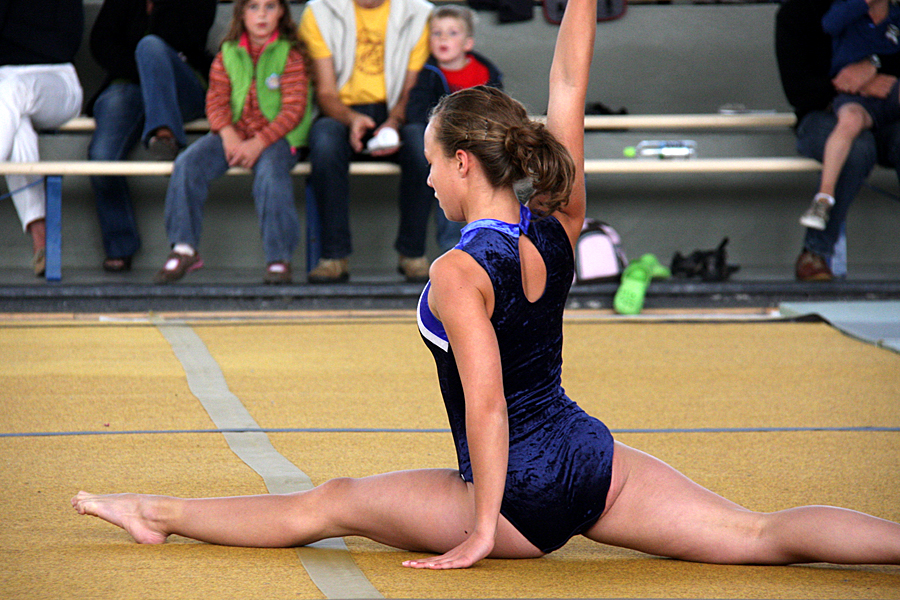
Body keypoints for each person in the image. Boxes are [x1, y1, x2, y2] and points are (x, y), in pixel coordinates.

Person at [73, 0, 900, 570]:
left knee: (328, 504)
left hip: (518, 496)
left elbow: (489, 407)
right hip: (590, 458)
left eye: (432, 163)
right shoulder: (559, 216)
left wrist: (479, 528)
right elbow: (569, 85)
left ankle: (158, 511)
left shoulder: (459, 270)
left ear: (464, 163)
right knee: (756, 534)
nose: (429, 178)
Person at [153, 0, 312, 285]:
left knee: (270, 175)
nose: (261, 15)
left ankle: (278, 258)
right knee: (188, 164)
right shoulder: (228, 53)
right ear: (241, 14)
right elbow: (215, 102)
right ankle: (184, 248)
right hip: (234, 135)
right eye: (253, 8)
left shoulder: (291, 54)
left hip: (277, 138)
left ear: (282, 13)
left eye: (270, 7)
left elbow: (293, 110)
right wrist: (228, 136)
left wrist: (258, 143)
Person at [298, 0, 434, 283]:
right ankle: (333, 257)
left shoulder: (419, 12)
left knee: (421, 145)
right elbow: (325, 93)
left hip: (398, 112)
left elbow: (411, 92)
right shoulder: (320, 11)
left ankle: (412, 254)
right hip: (340, 112)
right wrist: (351, 119)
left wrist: (393, 123)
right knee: (324, 142)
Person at [87, 0, 218, 273]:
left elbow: (186, 41)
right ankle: (120, 245)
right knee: (101, 157)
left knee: (150, 46)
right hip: (128, 84)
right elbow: (101, 42)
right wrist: (142, 72)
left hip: (181, 83)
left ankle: (166, 135)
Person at [776, 0, 900, 281]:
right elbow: (799, 91)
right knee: (857, 148)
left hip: (888, 114)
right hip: (825, 113)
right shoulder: (800, 12)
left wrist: (874, 65)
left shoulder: (892, 13)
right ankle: (815, 252)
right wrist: (857, 85)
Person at [406, 4, 503, 252]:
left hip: (476, 149)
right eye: (437, 33)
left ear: (468, 43)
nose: (443, 39)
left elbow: (496, 113)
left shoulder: (485, 72)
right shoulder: (426, 73)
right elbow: (416, 112)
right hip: (440, 152)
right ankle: (448, 250)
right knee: (446, 179)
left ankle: (480, 247)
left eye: (452, 33)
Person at [799, 0, 900, 234]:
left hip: (889, 90)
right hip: (856, 96)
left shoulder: (896, 17)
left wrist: (875, 65)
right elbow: (829, 24)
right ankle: (823, 199)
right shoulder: (848, 11)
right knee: (850, 121)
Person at [0, 0, 83, 277]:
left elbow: (64, 46)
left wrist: (8, 30)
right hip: (7, 89)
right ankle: (41, 238)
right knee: (17, 125)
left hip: (58, 81)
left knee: (10, 90)